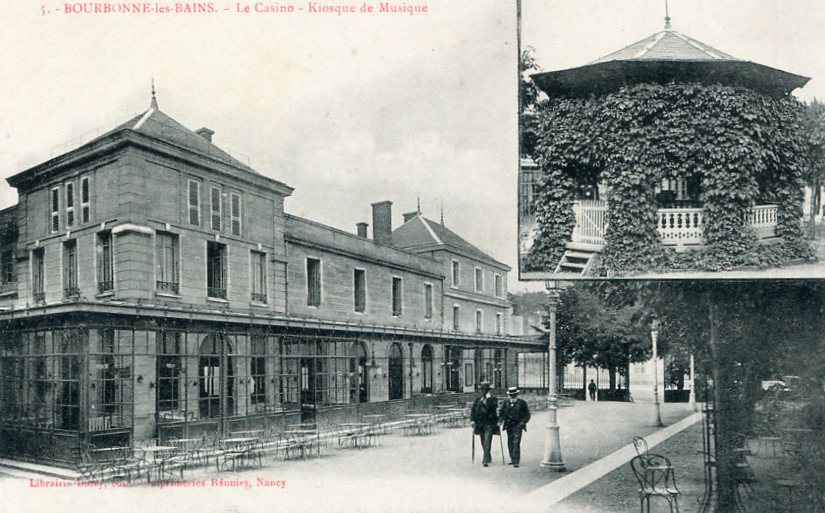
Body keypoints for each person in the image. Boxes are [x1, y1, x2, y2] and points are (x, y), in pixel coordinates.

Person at [499, 386, 530, 467]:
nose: (512, 397)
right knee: (510, 442)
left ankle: (516, 461)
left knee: (516, 442)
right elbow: (501, 413)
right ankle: (512, 459)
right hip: (508, 425)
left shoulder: (522, 403)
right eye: (511, 395)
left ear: (516, 395)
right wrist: (500, 421)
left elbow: (527, 415)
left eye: (514, 395)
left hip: (518, 425)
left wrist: (522, 423)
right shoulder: (506, 403)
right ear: (509, 395)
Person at [470, 381, 499, 467]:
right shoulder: (478, 400)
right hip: (480, 424)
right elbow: (473, 411)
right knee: (483, 441)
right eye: (481, 390)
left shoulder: (493, 399)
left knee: (487, 441)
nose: (482, 391)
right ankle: (488, 456)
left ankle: (485, 460)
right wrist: (472, 420)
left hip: (489, 423)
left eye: (484, 390)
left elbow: (494, 407)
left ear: (488, 390)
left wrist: (488, 399)